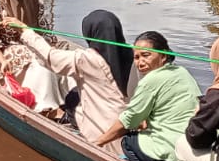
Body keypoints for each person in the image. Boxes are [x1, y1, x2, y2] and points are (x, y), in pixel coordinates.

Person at [7, 9, 131, 153]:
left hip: (103, 135)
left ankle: (62, 117)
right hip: (131, 129)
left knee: (71, 101)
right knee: (74, 94)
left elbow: (50, 57)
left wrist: (25, 31)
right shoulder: (135, 56)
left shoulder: (86, 59)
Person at [94, 31, 201, 161]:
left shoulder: (150, 81)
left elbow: (128, 121)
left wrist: (97, 143)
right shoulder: (182, 72)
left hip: (173, 157)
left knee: (128, 141)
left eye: (146, 55)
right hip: (194, 153)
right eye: (136, 57)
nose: (140, 62)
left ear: (163, 56)